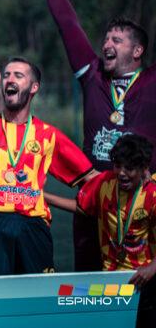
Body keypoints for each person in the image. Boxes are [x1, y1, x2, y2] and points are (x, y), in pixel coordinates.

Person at [37, 0, 156, 272]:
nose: (106, 44)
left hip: (142, 197)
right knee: (90, 285)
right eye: (106, 39)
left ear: (137, 51)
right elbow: (69, 26)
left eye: (117, 40)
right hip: (95, 195)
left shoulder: (151, 82)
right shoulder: (92, 76)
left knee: (145, 282)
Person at [0, 57, 96, 276]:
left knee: (39, 299)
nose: (10, 79)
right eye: (7, 75)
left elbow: (90, 176)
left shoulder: (48, 135)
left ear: (34, 87)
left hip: (33, 224)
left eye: (18, 75)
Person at [50, 134, 156, 328]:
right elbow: (81, 206)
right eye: (118, 165)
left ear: (144, 169)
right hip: (111, 281)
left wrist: (153, 267)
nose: (122, 173)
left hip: (144, 281)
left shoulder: (153, 193)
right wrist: (41, 197)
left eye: (129, 168)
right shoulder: (105, 183)